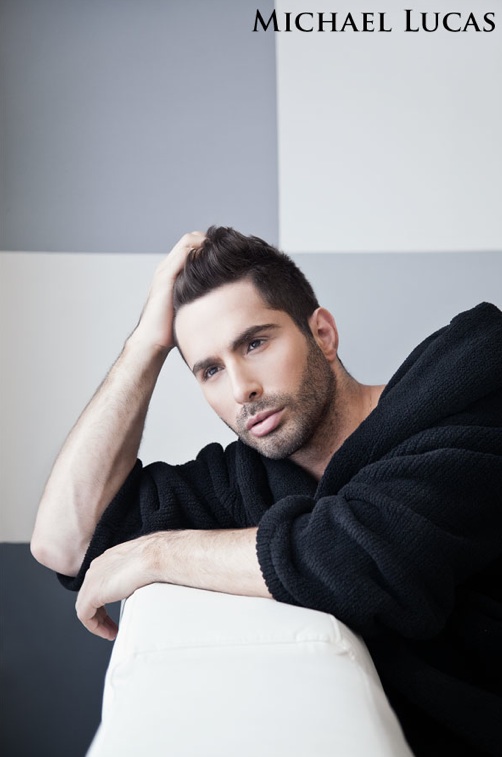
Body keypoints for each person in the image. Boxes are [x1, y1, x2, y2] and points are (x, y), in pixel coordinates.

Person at [31, 227, 502, 756]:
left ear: (322, 333)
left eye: (254, 343)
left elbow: (371, 558)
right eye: (210, 370)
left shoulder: (469, 380)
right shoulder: (249, 482)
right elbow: (65, 542)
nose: (241, 389)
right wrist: (146, 343)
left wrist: (158, 553)